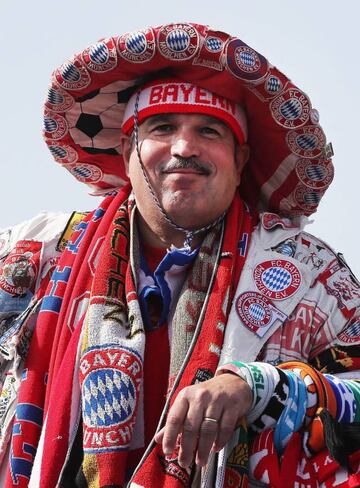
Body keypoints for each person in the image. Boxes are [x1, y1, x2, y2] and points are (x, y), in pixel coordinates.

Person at [0, 22, 359, 488]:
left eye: (209, 131)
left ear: (241, 159)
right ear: (128, 148)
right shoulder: (35, 254)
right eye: (163, 127)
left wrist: (262, 387)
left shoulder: (309, 272)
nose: (184, 148)